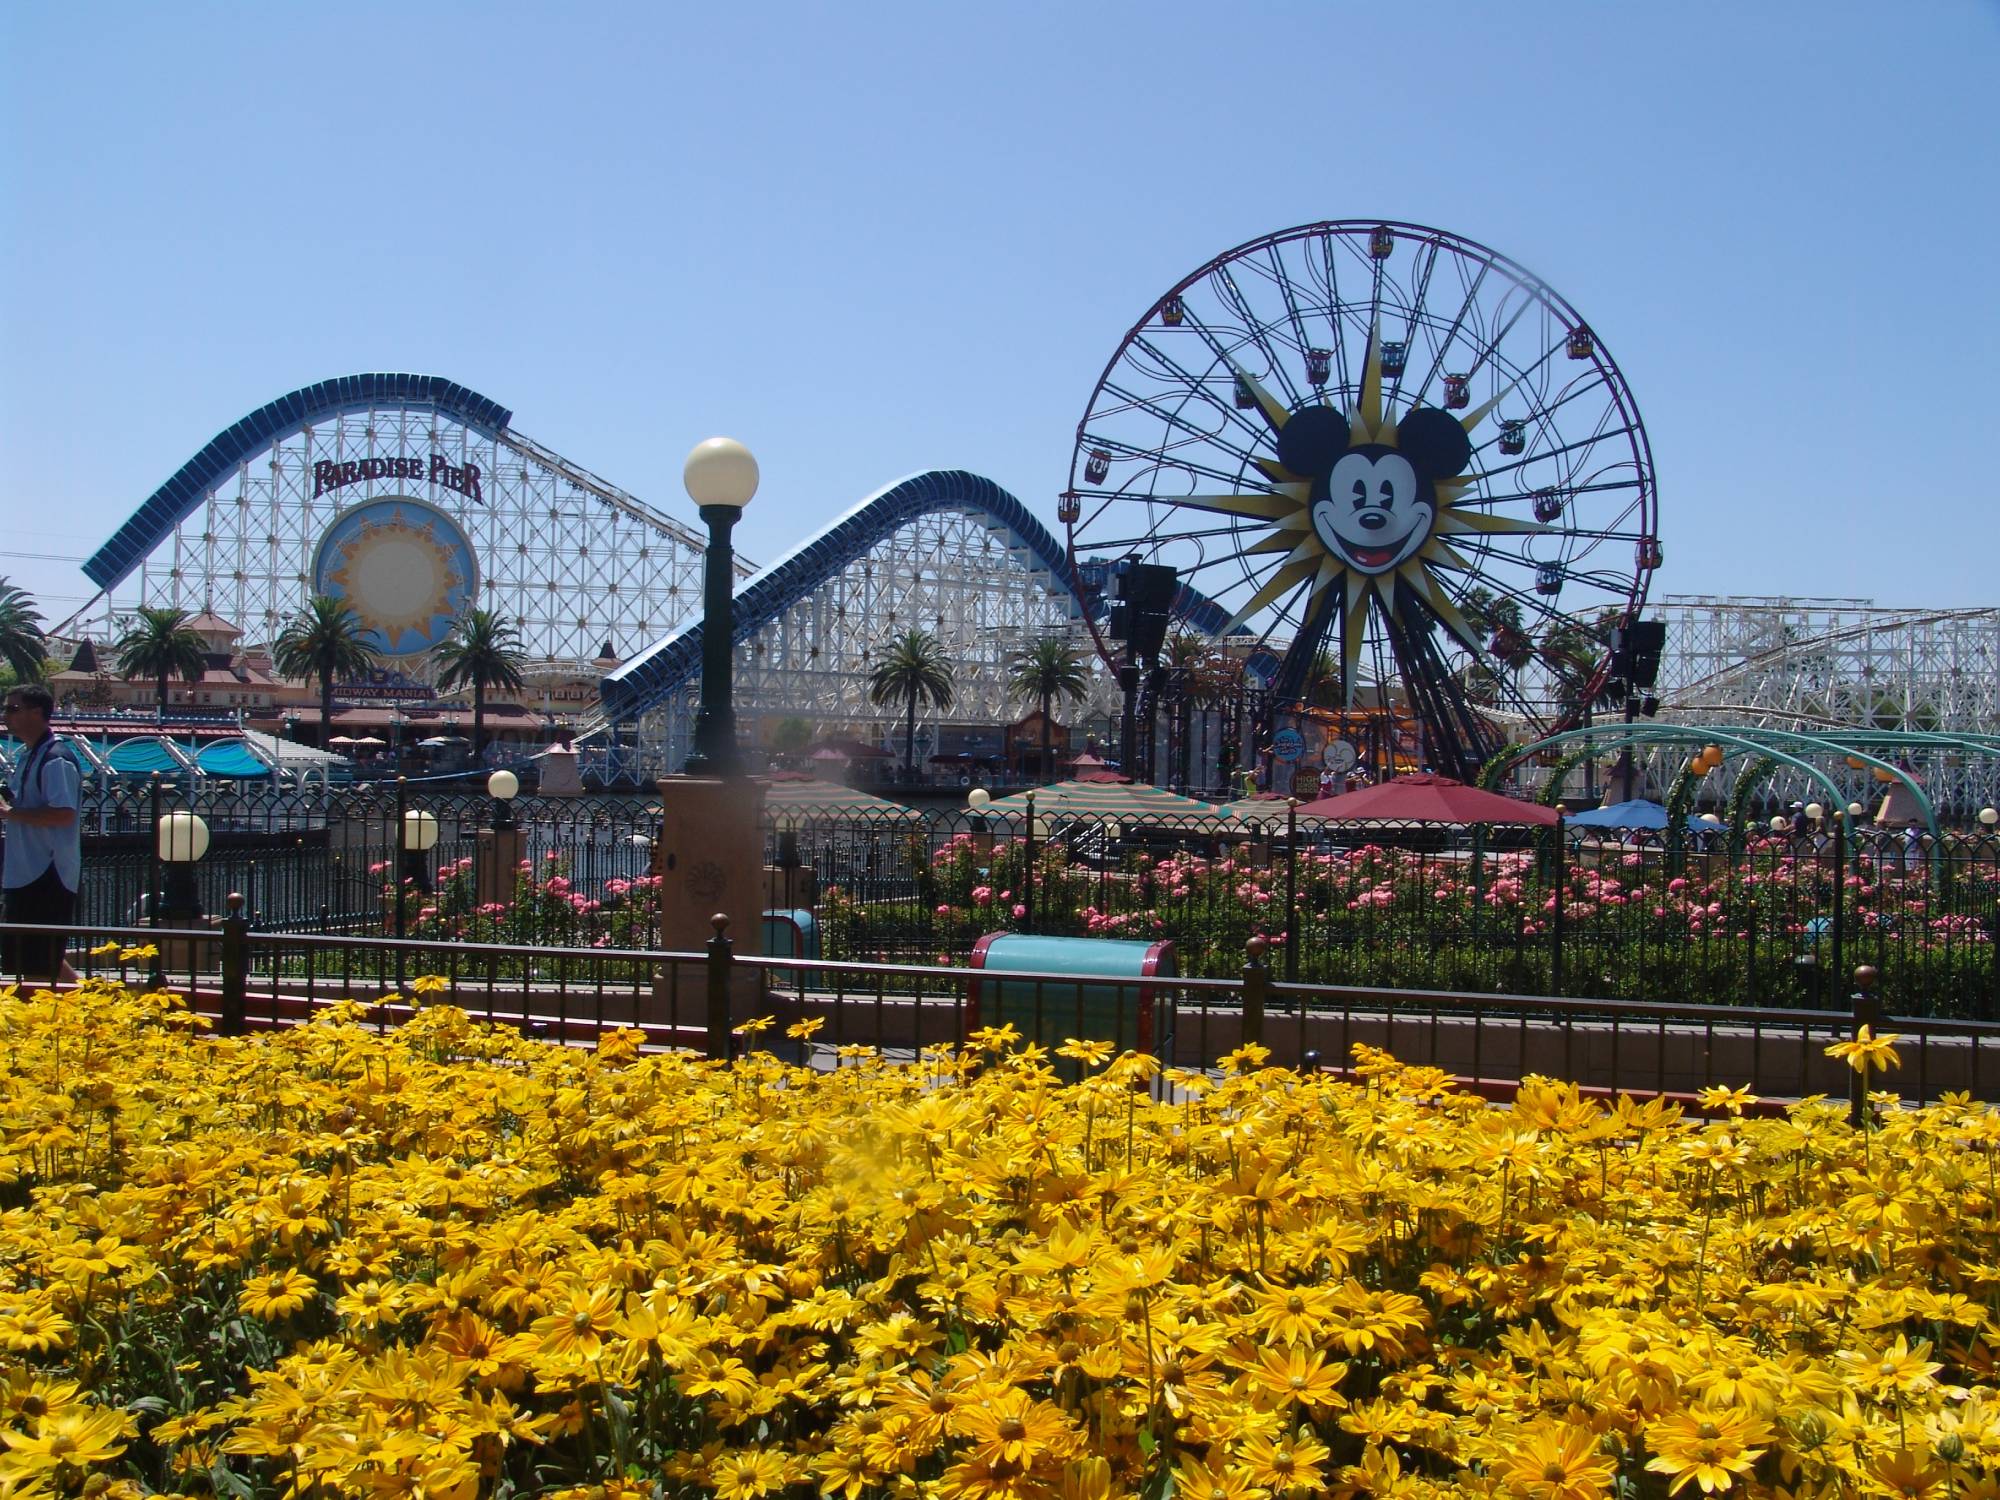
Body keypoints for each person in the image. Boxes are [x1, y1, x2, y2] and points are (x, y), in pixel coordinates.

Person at [1, 685, 82, 986]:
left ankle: (47, 1023)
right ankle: (90, 1005)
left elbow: (64, 814)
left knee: (37, 961)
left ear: (37, 713)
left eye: (12, 709)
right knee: (38, 955)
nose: (6, 715)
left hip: (47, 873)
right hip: (24, 872)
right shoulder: (29, 755)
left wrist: (10, 813)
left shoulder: (56, 758)